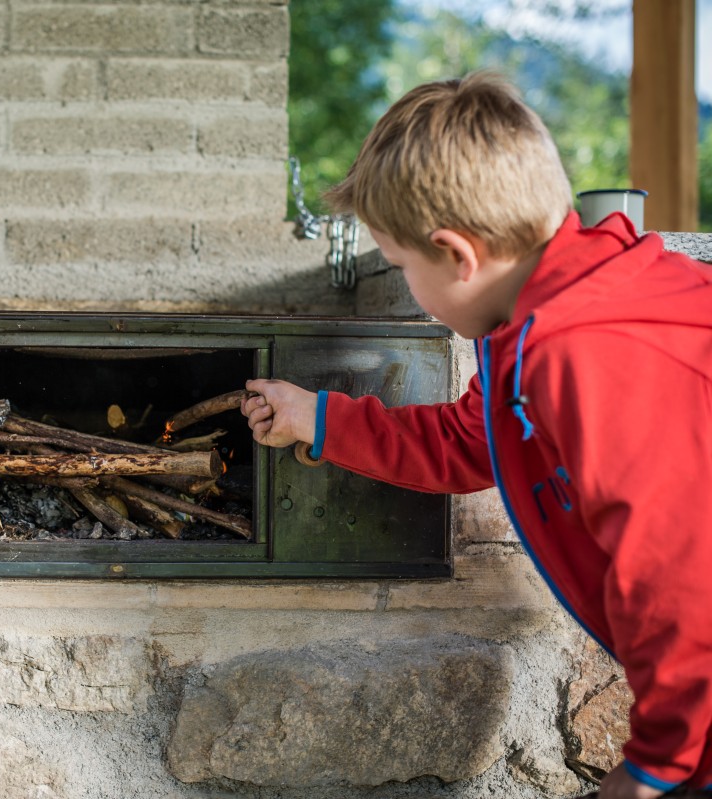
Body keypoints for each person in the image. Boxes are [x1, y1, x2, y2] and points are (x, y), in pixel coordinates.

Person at [241, 72, 712, 799]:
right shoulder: (541, 318)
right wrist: (321, 418)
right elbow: (470, 441)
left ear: (458, 255)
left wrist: (656, 763)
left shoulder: (586, 349)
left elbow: (675, 570)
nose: (408, 289)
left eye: (402, 268)